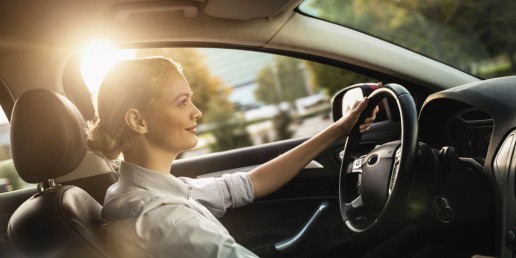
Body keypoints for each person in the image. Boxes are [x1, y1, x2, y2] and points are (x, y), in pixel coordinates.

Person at [87, 57, 378, 258]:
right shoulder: (163, 218)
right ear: (138, 121)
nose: (197, 111)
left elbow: (250, 183)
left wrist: (338, 130)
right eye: (182, 102)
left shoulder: (140, 191)